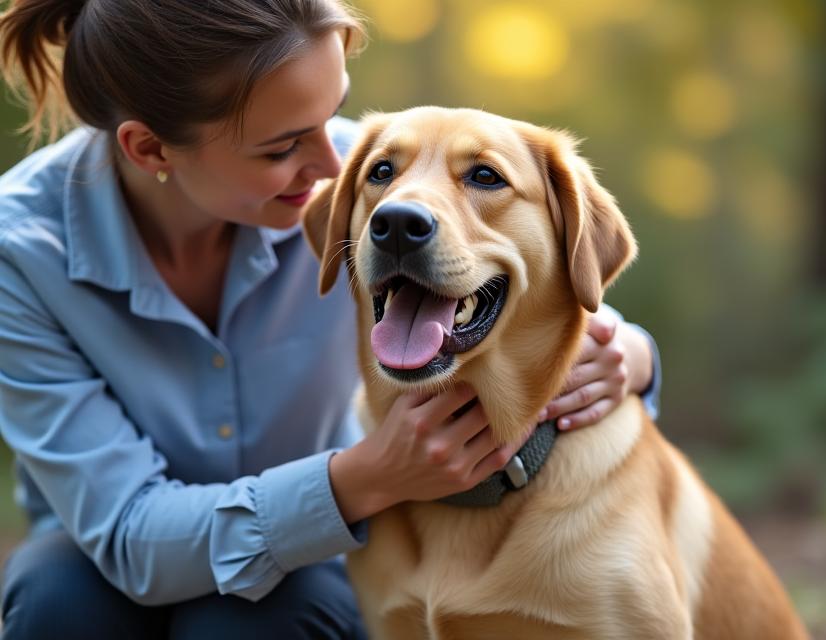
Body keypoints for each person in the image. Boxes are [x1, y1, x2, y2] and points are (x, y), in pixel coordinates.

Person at [0, 1, 661, 638]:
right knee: (56, 598)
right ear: (149, 150)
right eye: (284, 145)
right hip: (115, 554)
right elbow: (127, 534)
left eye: (333, 112)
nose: (333, 166)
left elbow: (547, 290)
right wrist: (368, 477)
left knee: (262, 615)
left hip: (313, 566)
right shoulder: (20, 252)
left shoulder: (378, 183)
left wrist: (630, 355)